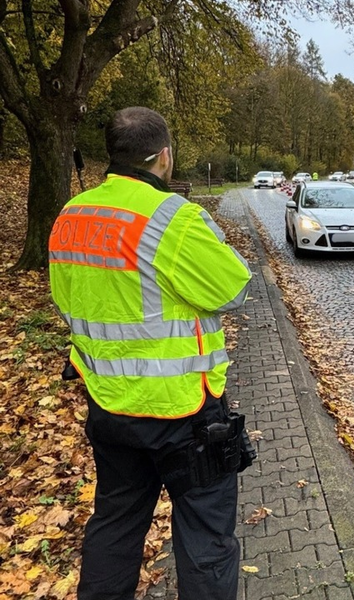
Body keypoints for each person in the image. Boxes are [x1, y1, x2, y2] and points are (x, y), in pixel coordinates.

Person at [48, 107, 253, 600]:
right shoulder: (173, 219)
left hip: (110, 408)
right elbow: (233, 288)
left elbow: (65, 299)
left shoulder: (70, 217)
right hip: (183, 415)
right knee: (205, 540)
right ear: (163, 156)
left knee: (114, 525)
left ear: (112, 156)